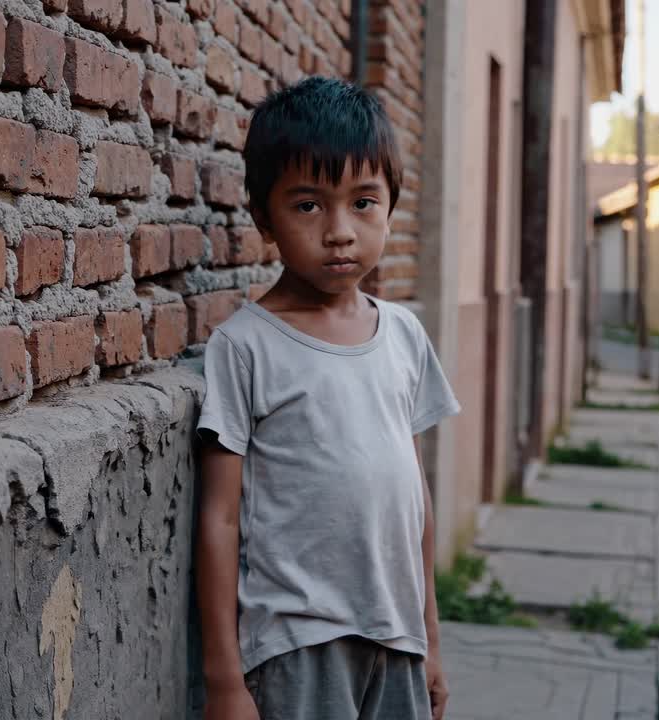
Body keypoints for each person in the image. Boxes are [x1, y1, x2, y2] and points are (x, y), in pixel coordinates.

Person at [195, 76, 462, 720]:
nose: (340, 231)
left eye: (363, 202)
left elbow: (414, 501)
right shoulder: (245, 346)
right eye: (309, 206)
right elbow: (219, 520)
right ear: (264, 218)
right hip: (297, 645)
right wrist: (225, 680)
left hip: (394, 635)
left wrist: (428, 638)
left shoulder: (402, 335)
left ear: (391, 206)